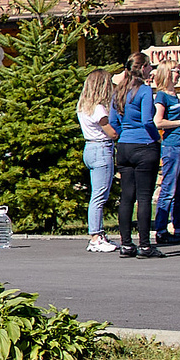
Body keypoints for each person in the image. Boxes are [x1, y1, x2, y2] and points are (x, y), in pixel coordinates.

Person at [109, 56, 164, 258]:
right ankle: (145, 245)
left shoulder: (119, 92)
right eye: (149, 66)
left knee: (126, 197)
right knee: (144, 197)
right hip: (144, 144)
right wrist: (155, 138)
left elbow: (113, 121)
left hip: (124, 145)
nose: (151, 70)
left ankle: (126, 244)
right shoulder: (144, 90)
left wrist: (123, 134)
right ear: (142, 68)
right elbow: (147, 119)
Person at [76, 69, 118, 253]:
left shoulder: (83, 105)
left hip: (89, 148)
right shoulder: (99, 109)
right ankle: (95, 236)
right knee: (100, 195)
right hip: (101, 148)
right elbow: (112, 132)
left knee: (97, 194)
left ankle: (98, 234)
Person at [154, 75, 180, 244]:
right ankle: (161, 230)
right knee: (169, 188)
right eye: (175, 70)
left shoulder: (174, 94)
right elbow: (158, 122)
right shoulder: (162, 96)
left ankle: (179, 228)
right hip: (172, 145)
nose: (179, 74)